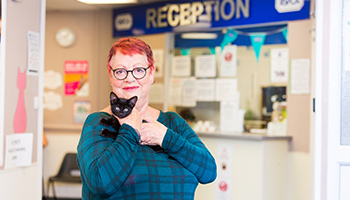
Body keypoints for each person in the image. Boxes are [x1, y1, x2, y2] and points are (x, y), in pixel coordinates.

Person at [76, 38, 217, 199]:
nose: (129, 78)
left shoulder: (173, 123)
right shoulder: (98, 123)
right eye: (120, 71)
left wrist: (165, 138)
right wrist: (129, 131)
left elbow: (209, 172)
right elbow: (100, 183)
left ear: (151, 73)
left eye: (138, 70)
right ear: (111, 76)